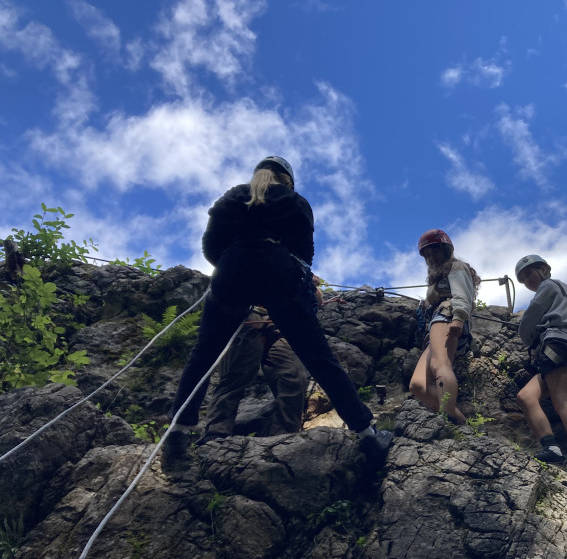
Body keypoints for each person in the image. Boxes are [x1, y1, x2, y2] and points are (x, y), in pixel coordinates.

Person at [164, 156, 392, 464]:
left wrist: (234, 264)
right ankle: (367, 434)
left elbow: (210, 245)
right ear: (287, 180)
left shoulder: (233, 196)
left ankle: (178, 431)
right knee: (319, 358)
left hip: (232, 269)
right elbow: (304, 255)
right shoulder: (293, 200)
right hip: (278, 272)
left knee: (204, 354)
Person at [514, 254, 567, 476]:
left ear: (543, 269)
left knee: (563, 401)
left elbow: (531, 315)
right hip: (562, 348)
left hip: (554, 344)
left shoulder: (549, 286)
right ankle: (552, 449)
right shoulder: (564, 304)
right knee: (526, 397)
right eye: (523, 279)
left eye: (529, 274)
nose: (527, 281)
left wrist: (526, 336)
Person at [198, 307, 310, 443]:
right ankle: (216, 432)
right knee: (235, 377)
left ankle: (282, 437)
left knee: (293, 376)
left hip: (280, 319)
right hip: (244, 313)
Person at [409, 229, 480, 424]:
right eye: (427, 256)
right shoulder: (437, 276)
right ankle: (460, 424)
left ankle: (446, 419)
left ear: (446, 250)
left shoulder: (456, 267)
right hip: (438, 320)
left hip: (447, 315)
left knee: (440, 364)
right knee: (418, 385)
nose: (431, 258)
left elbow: (462, 295)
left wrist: (458, 318)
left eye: (435, 252)